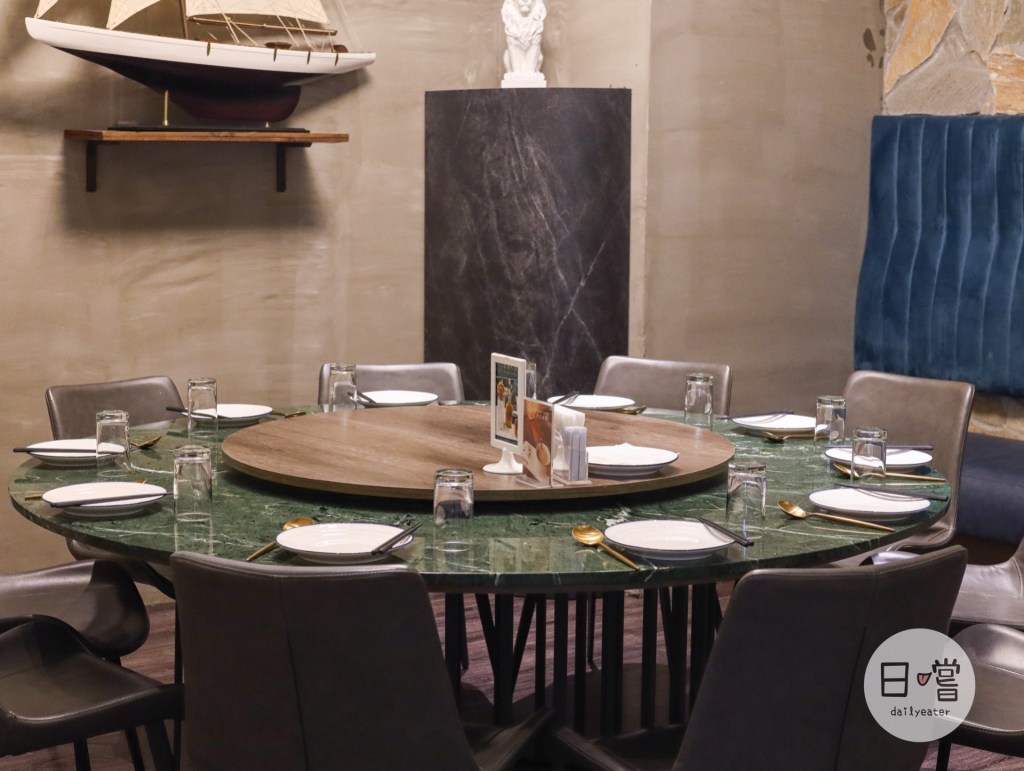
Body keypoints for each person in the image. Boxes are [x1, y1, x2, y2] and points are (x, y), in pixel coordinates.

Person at [502, 0, 546, 77]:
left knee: (538, 54)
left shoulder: (536, 24)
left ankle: (531, 71)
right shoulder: (511, 23)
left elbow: (534, 48)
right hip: (514, 71)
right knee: (508, 53)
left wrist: (530, 73)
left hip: (532, 72)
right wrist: (516, 73)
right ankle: (516, 71)